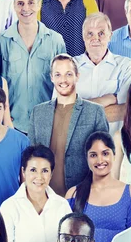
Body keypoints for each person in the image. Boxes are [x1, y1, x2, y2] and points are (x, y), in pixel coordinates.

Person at [28, 54, 109, 196]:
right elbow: (31, 157)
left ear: (77, 76)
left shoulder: (95, 112)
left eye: (68, 74)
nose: (63, 80)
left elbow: (103, 158)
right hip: (45, 195)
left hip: (82, 195)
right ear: (52, 77)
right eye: (58, 74)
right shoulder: (38, 112)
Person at [0, 0, 66, 134]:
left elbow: (64, 84)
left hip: (47, 126)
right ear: (14, 6)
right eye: (20, 3)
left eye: (31, 3)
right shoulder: (1, 41)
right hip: (12, 126)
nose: (26, 8)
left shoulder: (55, 40)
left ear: (39, 5)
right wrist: (4, 118)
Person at [66, 131, 131, 242]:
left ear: (114, 155)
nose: (100, 160)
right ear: (86, 158)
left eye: (105, 153)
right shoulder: (73, 194)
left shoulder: (130, 193)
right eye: (93, 155)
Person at [1, 145, 72, 242]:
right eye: (33, 170)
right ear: (23, 171)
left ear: (51, 174)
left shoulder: (62, 205)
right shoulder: (9, 207)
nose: (39, 177)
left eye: (45, 171)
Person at [74, 13, 131, 135]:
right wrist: (108, 99)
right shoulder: (70, 66)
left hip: (114, 145)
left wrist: (79, 111)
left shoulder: (125, 66)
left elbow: (126, 110)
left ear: (110, 36)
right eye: (90, 33)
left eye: (101, 33)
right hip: (77, 145)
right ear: (83, 36)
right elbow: (61, 111)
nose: (95, 38)